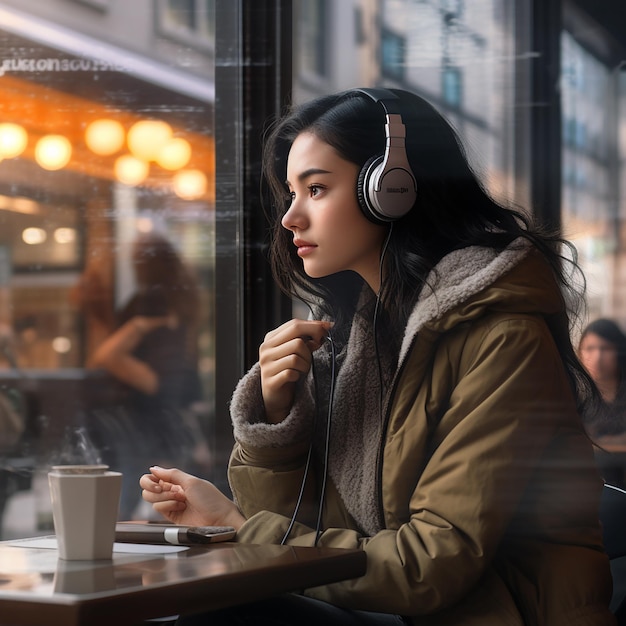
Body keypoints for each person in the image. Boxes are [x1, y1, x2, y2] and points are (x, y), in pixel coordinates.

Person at [140, 88, 615, 625]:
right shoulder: (358, 339)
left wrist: (235, 524)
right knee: (218, 604)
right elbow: (305, 529)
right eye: (290, 194)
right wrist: (277, 421)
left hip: (500, 616)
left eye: (316, 189)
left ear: (391, 190)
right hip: (401, 613)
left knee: (222, 613)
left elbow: (430, 566)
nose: (290, 218)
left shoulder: (501, 337)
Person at [89, 231, 203, 519]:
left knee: (132, 489)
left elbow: (105, 356)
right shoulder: (183, 295)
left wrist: (138, 325)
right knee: (156, 489)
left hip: (153, 386)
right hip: (169, 390)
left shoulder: (151, 299)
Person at [579, 318, 626, 488]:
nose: (597, 357)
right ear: (580, 352)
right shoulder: (575, 395)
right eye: (590, 348)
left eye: (605, 348)